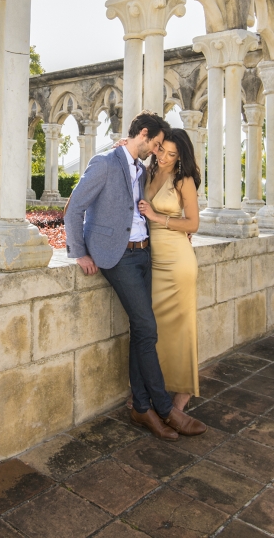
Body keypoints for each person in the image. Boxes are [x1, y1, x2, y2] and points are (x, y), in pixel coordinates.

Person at [64, 112, 206, 441]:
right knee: (147, 328)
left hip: (146, 253)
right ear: (143, 134)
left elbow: (163, 206)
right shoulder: (104, 163)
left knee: (140, 330)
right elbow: (74, 207)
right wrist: (79, 252)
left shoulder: (141, 168)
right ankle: (164, 408)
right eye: (156, 144)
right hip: (118, 257)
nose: (158, 151)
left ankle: (141, 408)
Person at [137, 128, 201, 412]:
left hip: (178, 263)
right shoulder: (149, 172)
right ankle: (154, 389)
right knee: (156, 331)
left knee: (182, 329)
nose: (164, 157)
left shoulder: (183, 180)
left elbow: (193, 224)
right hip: (154, 261)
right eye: (162, 150)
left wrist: (156, 216)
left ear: (181, 157)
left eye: (172, 154)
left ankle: (183, 394)